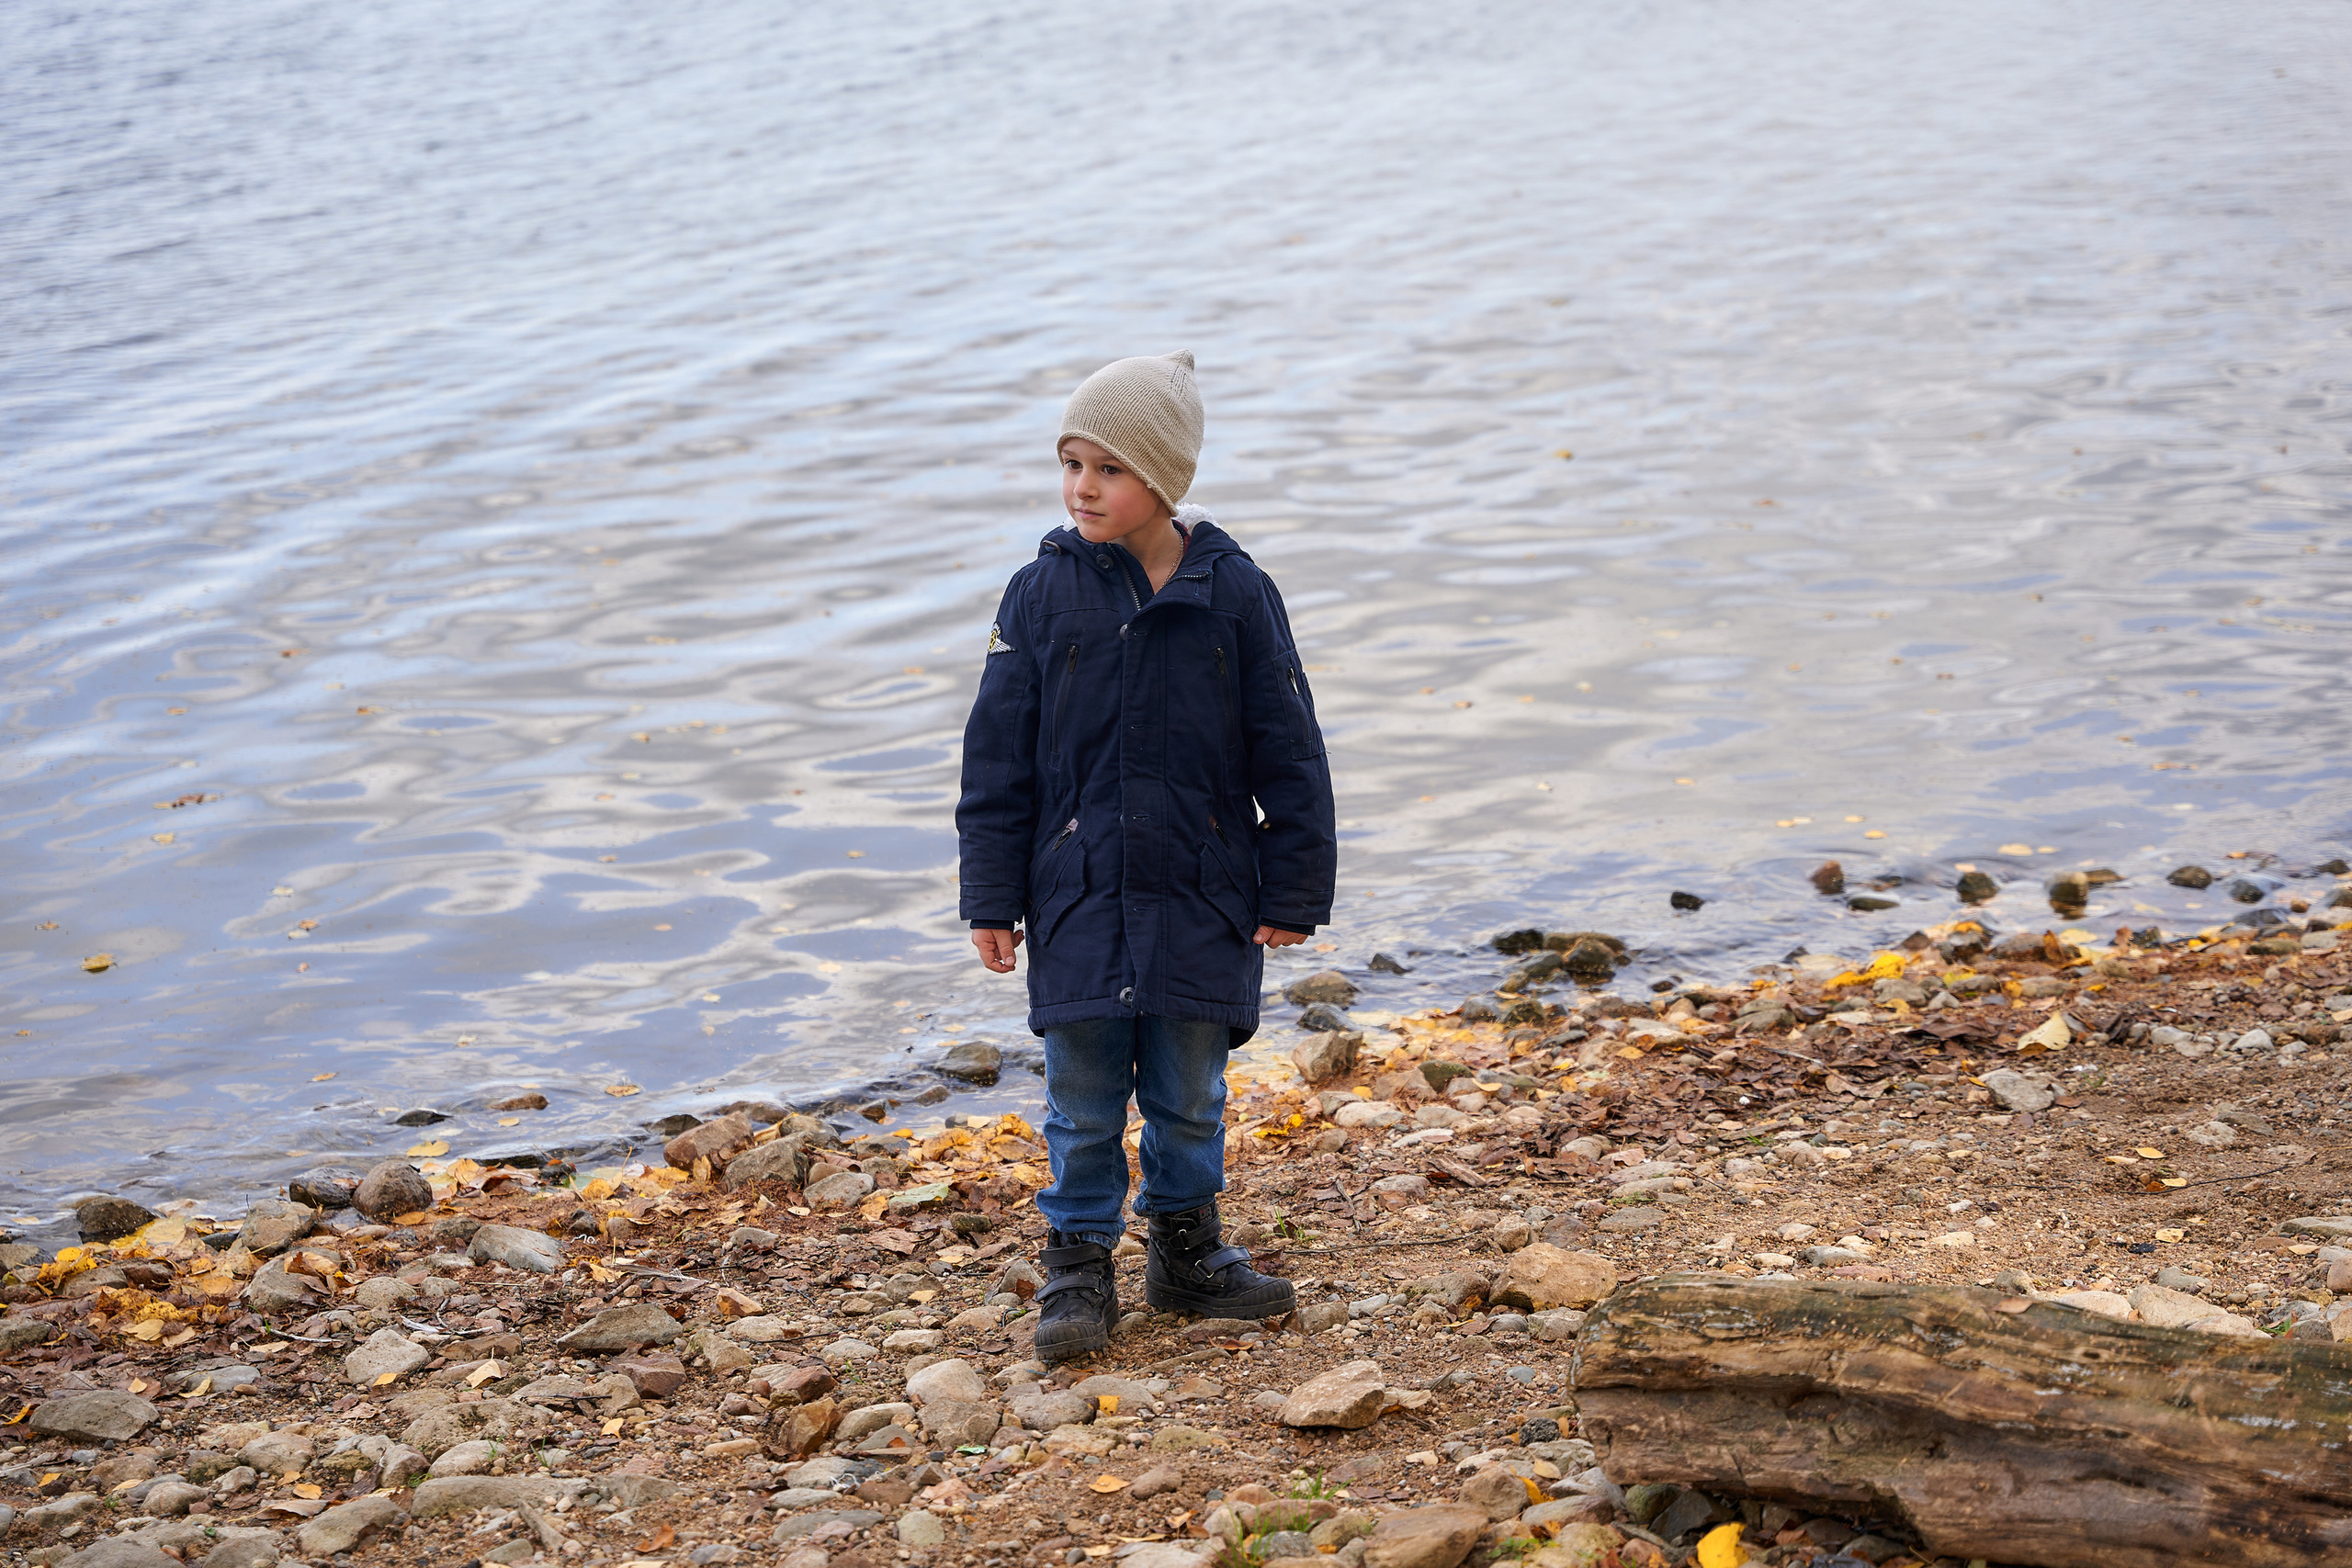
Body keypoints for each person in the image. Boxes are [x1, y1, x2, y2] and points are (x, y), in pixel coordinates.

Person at [956, 350, 1338, 1363]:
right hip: (1076, 893)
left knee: (1189, 1093)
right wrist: (991, 896)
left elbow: (1290, 746)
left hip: (1204, 891)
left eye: (1109, 467)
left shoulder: (1235, 594)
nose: (1083, 486)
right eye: (1071, 462)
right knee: (1081, 1101)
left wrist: (1294, 882)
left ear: (1164, 478)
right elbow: (995, 759)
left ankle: (1184, 1249)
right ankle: (1077, 1262)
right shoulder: (1039, 597)